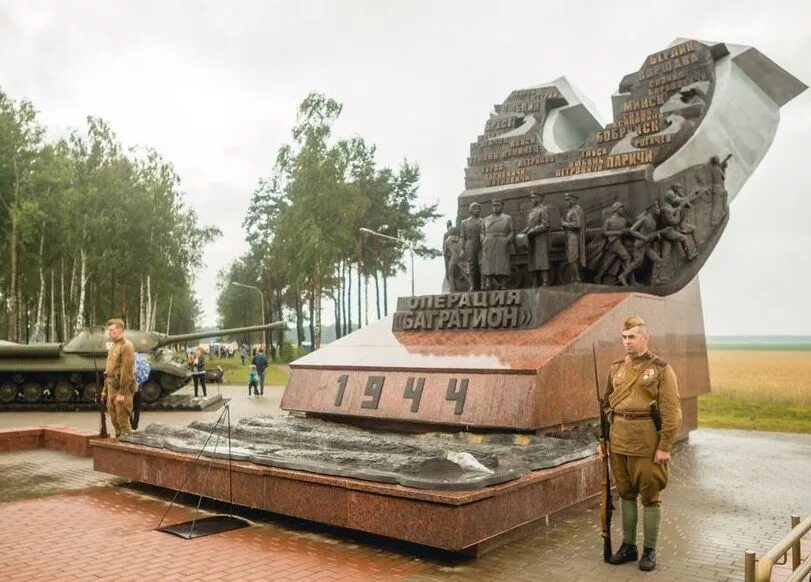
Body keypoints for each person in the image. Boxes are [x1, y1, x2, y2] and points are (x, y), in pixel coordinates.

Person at [598, 315, 683, 572]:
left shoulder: (660, 369)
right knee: (625, 494)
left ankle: (649, 550)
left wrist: (664, 446)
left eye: (632, 337)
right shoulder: (616, 368)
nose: (627, 342)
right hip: (620, 441)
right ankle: (629, 546)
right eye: (624, 337)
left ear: (645, 337)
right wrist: (604, 439)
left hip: (647, 443)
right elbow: (605, 406)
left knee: (650, 496)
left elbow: (672, 412)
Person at [100, 318, 136, 438]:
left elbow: (127, 372)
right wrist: (104, 391)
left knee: (123, 423)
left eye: (112, 330)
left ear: (120, 330)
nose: (109, 332)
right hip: (111, 388)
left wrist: (122, 393)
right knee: (115, 422)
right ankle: (119, 447)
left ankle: (127, 450)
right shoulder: (113, 346)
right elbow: (108, 372)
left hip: (121, 390)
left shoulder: (126, 346)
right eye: (109, 330)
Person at [480, 199, 515, 290]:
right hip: (489, 242)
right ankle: (488, 283)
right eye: (494, 205)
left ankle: (503, 283)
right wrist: (483, 239)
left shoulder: (507, 218)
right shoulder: (486, 219)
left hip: (501, 241)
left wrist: (507, 240)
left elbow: (512, 231)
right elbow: (482, 231)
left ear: (502, 206)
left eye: (498, 205)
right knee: (488, 263)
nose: (496, 207)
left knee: (502, 263)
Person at [523, 191, 551, 287]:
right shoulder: (532, 211)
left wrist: (533, 230)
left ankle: (545, 282)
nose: (532, 200)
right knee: (532, 261)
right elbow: (530, 225)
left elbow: (545, 225)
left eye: (534, 197)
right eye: (531, 198)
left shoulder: (543, 210)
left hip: (540, 239)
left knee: (542, 260)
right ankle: (534, 282)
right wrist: (524, 231)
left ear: (540, 198)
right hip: (532, 239)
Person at [560, 193, 586, 283]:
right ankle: (574, 278)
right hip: (569, 236)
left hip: (573, 237)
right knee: (571, 259)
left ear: (573, 200)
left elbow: (577, 225)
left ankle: (577, 279)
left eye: (568, 200)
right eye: (566, 200)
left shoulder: (574, 211)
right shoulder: (571, 211)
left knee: (572, 259)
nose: (566, 202)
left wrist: (564, 224)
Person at [460, 202, 484, 291]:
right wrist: (462, 249)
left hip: (481, 243)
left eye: (478, 208)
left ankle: (483, 284)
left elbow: (484, 232)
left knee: (482, 264)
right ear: (470, 210)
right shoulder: (464, 222)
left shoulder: (483, 221)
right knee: (470, 265)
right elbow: (462, 236)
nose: (477, 210)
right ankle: (472, 285)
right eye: (474, 208)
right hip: (469, 244)